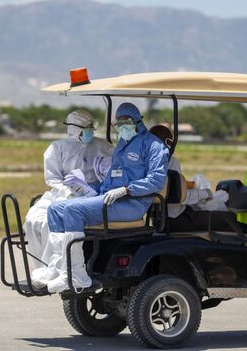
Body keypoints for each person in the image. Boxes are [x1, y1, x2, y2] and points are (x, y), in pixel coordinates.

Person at [33, 103, 169, 293]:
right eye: (118, 123)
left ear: (138, 121)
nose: (122, 127)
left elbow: (155, 181)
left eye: (126, 122)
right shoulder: (122, 144)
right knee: (55, 209)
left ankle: (77, 274)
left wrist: (127, 190)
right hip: (110, 198)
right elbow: (113, 175)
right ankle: (60, 268)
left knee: (73, 210)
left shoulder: (154, 146)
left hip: (132, 203)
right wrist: (91, 189)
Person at [23, 109, 113, 274]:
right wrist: (67, 191)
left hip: (96, 195)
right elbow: (52, 178)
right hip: (64, 193)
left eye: (91, 127)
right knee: (34, 220)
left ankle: (67, 269)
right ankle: (47, 268)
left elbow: (113, 171)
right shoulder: (57, 148)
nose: (89, 132)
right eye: (86, 128)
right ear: (73, 128)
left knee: (56, 220)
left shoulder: (103, 146)